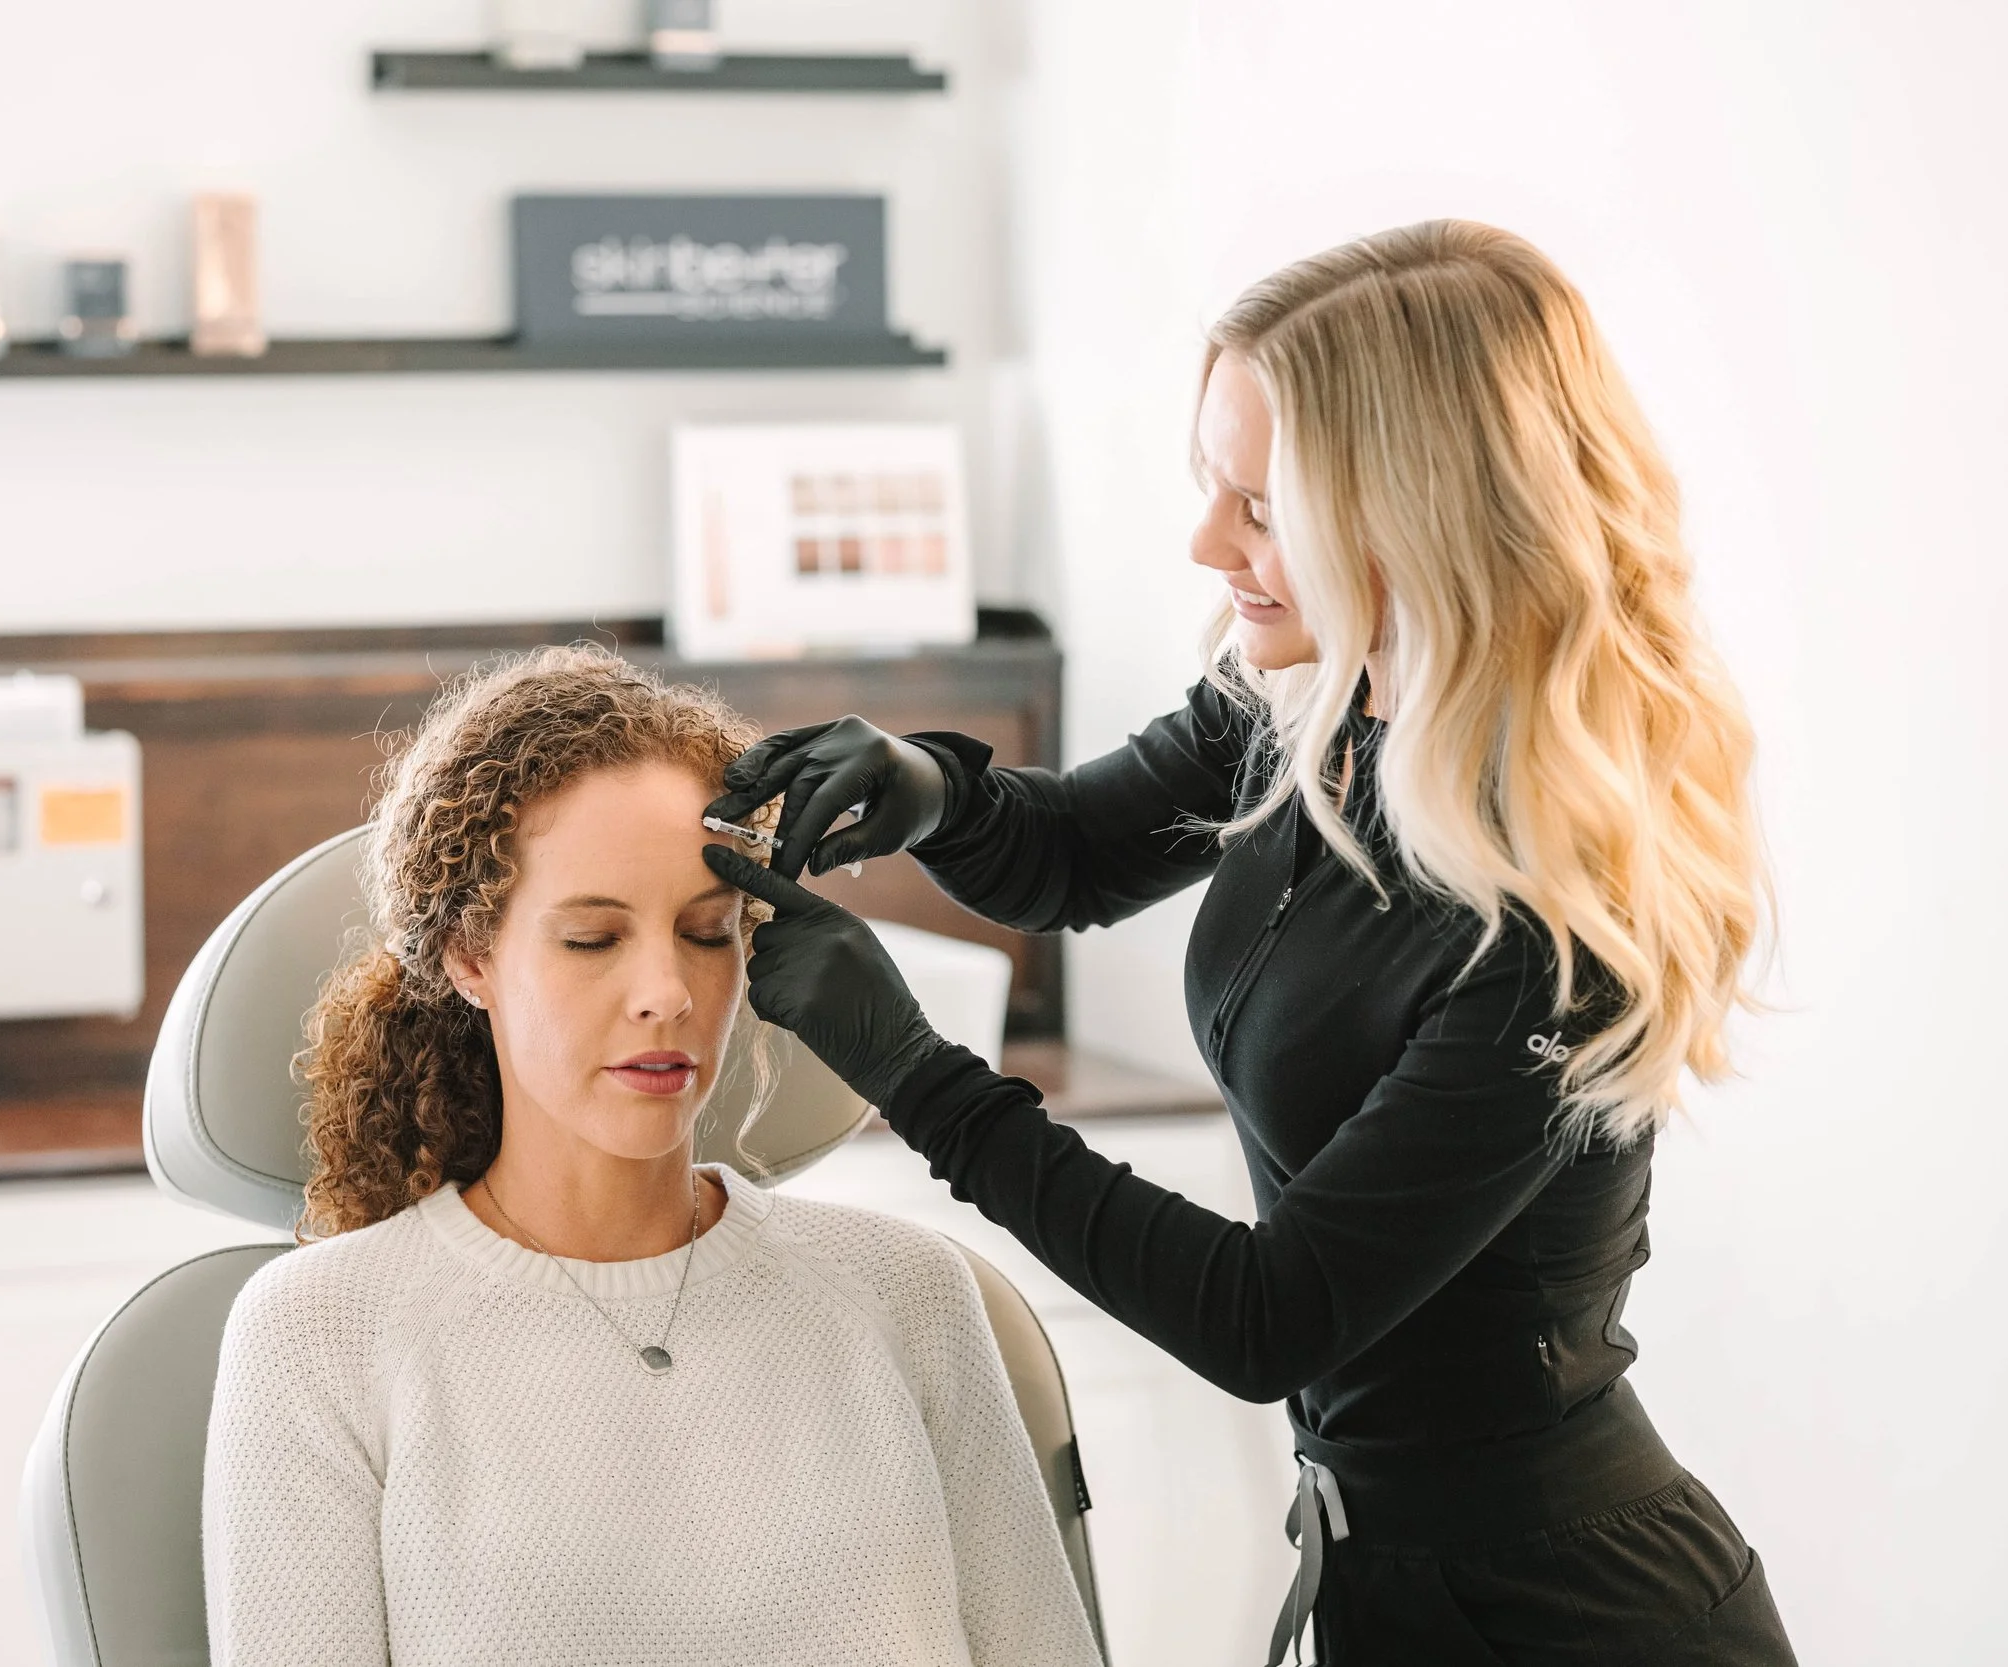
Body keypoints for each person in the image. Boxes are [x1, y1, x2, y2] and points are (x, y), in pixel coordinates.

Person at [702, 221, 1799, 1665]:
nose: (1211, 544)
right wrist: (933, 787)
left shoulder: (1556, 923)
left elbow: (1269, 1312)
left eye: (1263, 507)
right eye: (1212, 487)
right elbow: (1076, 853)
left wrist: (913, 1069)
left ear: (1422, 517)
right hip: (1380, 1576)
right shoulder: (1312, 700)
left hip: (1577, 1616)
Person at [200, 645, 1101, 1667]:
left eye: (708, 932)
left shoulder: (913, 1297)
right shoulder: (321, 1338)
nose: (666, 992)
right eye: (593, 938)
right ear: (469, 955)